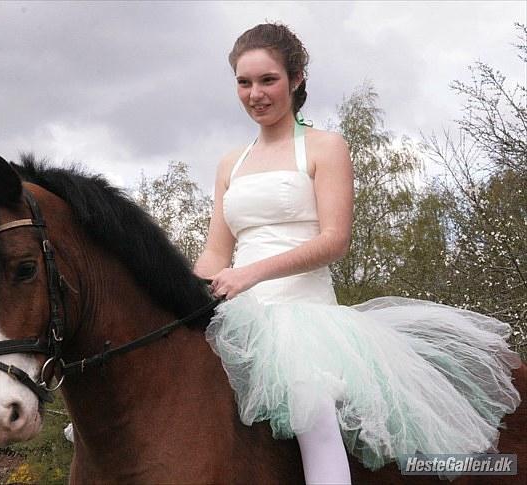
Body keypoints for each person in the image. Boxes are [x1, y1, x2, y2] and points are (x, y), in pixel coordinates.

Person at [194, 22, 521, 484]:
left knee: (313, 407)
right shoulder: (231, 162)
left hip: (304, 319)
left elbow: (334, 240)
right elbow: (215, 250)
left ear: (297, 78)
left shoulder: (327, 147)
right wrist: (189, 291)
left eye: (268, 80)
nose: (255, 94)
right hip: (237, 315)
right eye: (244, 83)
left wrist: (249, 275)